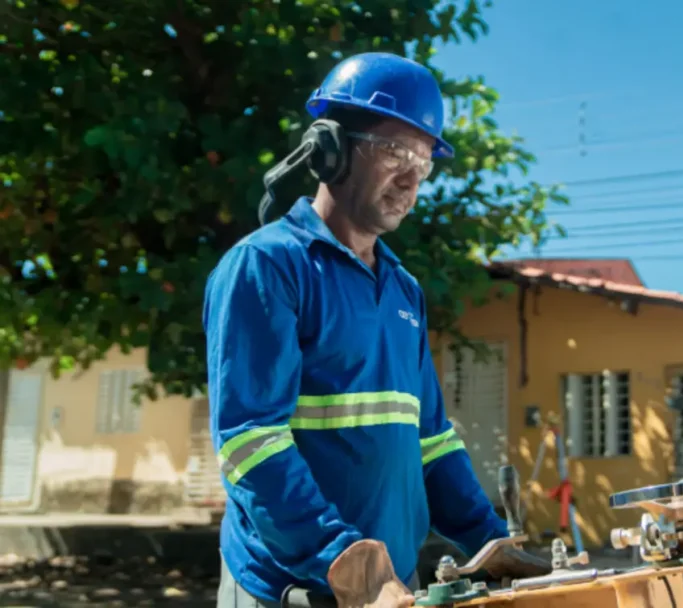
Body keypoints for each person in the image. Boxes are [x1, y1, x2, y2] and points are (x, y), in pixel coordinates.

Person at [203, 52, 551, 607]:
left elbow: (431, 441)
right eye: (395, 152)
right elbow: (249, 441)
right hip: (293, 591)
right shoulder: (267, 266)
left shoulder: (403, 290)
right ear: (330, 149)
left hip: (391, 590)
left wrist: (489, 541)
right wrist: (343, 559)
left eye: (426, 163)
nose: (412, 178)